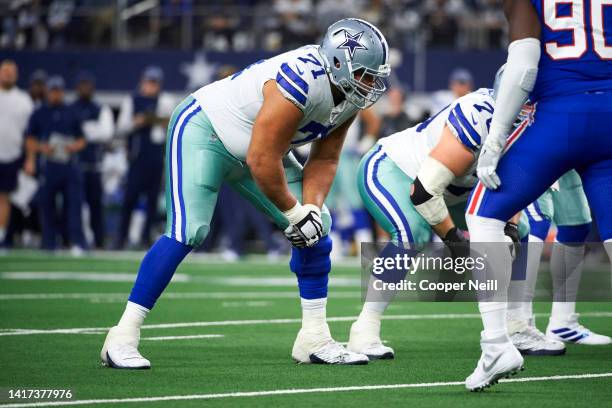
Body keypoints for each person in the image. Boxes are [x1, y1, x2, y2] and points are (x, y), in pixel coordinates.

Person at [100, 18, 391, 369]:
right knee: (189, 230)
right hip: (205, 131)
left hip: (259, 150)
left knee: (319, 227)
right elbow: (260, 159)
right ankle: (122, 335)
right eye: (365, 74)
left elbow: (326, 158)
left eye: (375, 76)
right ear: (339, 64)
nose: (371, 84)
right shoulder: (302, 80)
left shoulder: (349, 95)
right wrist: (294, 213)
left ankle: (313, 337)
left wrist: (310, 209)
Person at [465, 0, 612, 391]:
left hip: (559, 115)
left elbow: (525, 63)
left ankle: (497, 344)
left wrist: (495, 140)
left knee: (483, 216)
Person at [346, 85, 536, 359]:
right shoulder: (477, 118)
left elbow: (514, 186)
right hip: (399, 170)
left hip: (454, 191)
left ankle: (517, 325)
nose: (528, 114)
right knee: (412, 234)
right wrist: (454, 240)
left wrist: (511, 227)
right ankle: (365, 327)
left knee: (523, 231)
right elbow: (423, 192)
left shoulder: (533, 126)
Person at [507, 170, 611, 348]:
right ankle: (518, 325)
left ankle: (562, 322)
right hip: (540, 149)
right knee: (534, 224)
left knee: (576, 226)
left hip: (571, 157)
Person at [24, 75, 87, 253]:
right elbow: (29, 140)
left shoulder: (71, 112)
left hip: (69, 165)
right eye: (53, 91)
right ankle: (49, 242)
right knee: (47, 205)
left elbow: (82, 140)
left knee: (74, 206)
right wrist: (42, 148)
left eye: (59, 91)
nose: (56, 94)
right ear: (48, 92)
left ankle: (76, 242)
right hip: (49, 165)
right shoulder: (39, 113)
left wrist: (72, 146)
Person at [115, 66, 174, 249]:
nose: (151, 86)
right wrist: (137, 122)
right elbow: (121, 127)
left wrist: (159, 121)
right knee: (130, 199)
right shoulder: (132, 100)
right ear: (142, 82)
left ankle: (145, 237)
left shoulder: (165, 100)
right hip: (137, 157)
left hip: (156, 158)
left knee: (152, 200)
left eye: (154, 82)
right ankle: (121, 237)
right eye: (149, 82)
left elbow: (170, 122)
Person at [72, 72, 114, 249]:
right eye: (82, 84)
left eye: (88, 84)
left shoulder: (100, 108)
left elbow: (106, 133)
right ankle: (74, 240)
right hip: (74, 165)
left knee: (96, 205)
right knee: (74, 206)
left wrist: (84, 131)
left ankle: (99, 240)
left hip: (95, 165)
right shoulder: (71, 108)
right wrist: (89, 130)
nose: (85, 88)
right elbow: (69, 133)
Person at [0, 59, 33, 247]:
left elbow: (29, 134)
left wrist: (29, 159)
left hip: (12, 155)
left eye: (11, 72)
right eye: (5, 71)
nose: (8, 75)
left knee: (5, 198)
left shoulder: (23, 100)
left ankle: (2, 236)